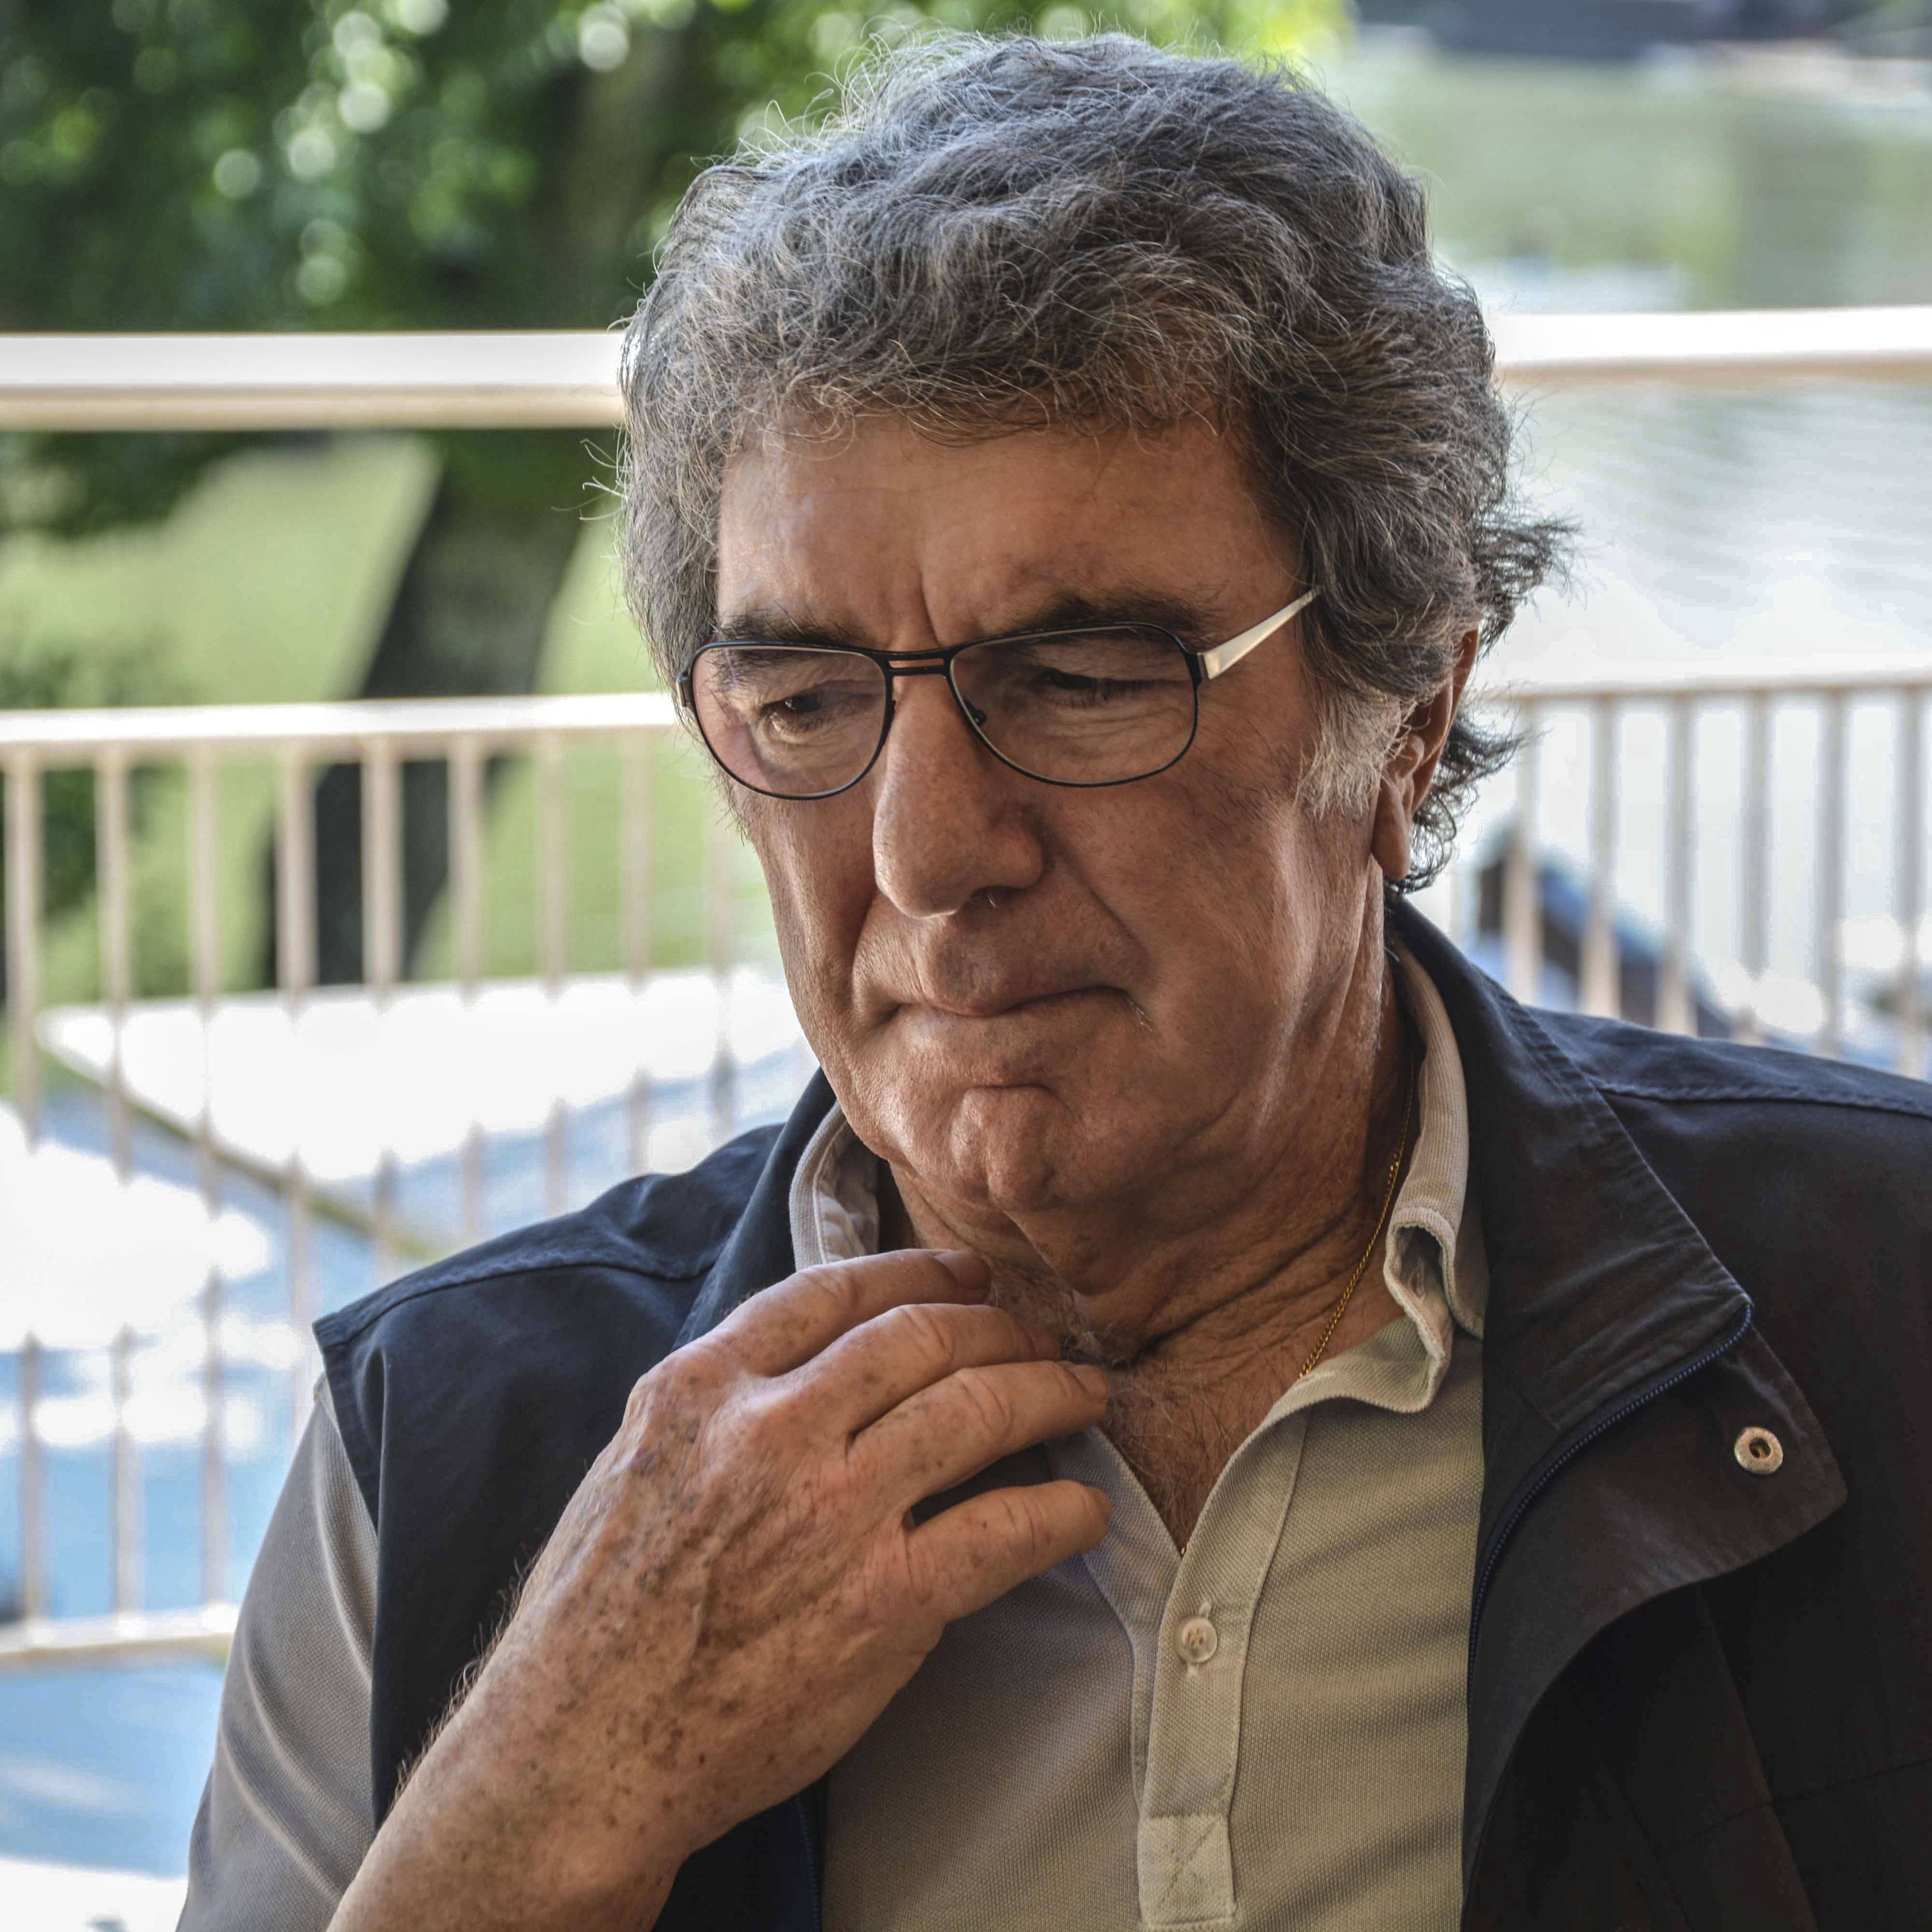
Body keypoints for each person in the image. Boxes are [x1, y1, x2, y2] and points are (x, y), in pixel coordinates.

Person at [180, 35, 1932, 1932]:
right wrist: (532, 1814)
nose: (928, 852)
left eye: (1083, 681)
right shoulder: (436, 1455)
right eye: (805, 700)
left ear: (1408, 714)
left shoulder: (1884, 1310)